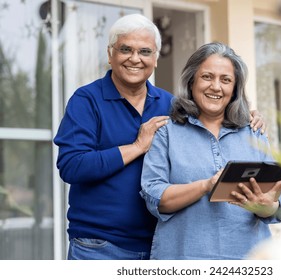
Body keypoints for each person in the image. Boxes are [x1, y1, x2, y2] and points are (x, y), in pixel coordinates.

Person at [53, 14, 265, 260]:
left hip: (160, 245)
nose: (135, 58)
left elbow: (210, 115)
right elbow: (72, 166)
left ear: (155, 59)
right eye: (125, 49)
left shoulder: (171, 105)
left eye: (144, 51)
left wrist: (248, 115)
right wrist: (136, 147)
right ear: (110, 55)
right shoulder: (87, 100)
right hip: (100, 245)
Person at [140, 42, 281, 260]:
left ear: (234, 89)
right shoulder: (167, 133)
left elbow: (276, 207)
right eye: (207, 77)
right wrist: (206, 185)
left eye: (225, 80)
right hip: (184, 259)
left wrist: (265, 206)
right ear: (191, 82)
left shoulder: (254, 132)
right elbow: (155, 198)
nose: (216, 87)